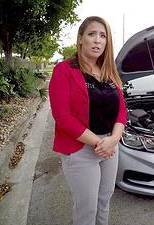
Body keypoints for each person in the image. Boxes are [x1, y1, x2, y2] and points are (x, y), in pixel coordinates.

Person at [49, 16, 127, 225]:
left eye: (103, 36)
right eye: (92, 34)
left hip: (110, 147)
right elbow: (62, 117)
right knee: (87, 208)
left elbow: (122, 110)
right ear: (80, 38)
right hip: (81, 149)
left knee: (104, 201)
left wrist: (114, 139)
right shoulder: (63, 71)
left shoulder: (109, 72)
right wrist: (99, 143)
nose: (97, 40)